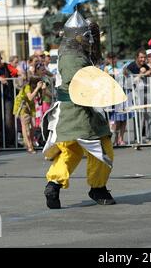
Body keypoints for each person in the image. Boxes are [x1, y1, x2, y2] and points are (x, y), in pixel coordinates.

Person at [42, 10, 116, 209]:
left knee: (71, 151)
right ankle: (98, 188)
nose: (90, 40)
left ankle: (53, 186)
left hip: (68, 114)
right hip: (79, 112)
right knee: (103, 149)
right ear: (78, 36)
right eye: (87, 36)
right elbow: (79, 83)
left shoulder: (70, 52)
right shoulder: (72, 58)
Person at [13, 77, 45, 154]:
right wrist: (37, 87)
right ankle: (29, 146)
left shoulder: (36, 88)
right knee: (25, 127)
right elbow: (30, 97)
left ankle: (29, 142)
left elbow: (41, 99)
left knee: (34, 126)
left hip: (30, 106)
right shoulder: (27, 87)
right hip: (22, 105)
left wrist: (43, 89)